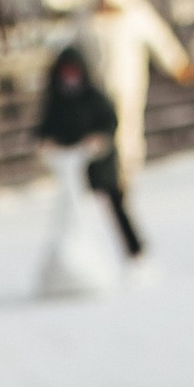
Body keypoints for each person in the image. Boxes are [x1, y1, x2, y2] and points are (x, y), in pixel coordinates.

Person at [79, 0, 193, 234]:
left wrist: (178, 63)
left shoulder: (136, 15)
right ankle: (104, 182)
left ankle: (127, 178)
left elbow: (160, 40)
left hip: (129, 87)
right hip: (98, 94)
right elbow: (74, 51)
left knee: (128, 134)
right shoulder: (88, 21)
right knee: (102, 140)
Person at [35, 36, 137, 271]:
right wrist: (48, 144)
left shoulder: (94, 97)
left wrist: (99, 140)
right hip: (71, 167)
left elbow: (110, 121)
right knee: (74, 213)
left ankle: (133, 252)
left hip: (100, 164)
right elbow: (44, 129)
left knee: (115, 206)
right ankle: (79, 263)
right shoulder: (56, 102)